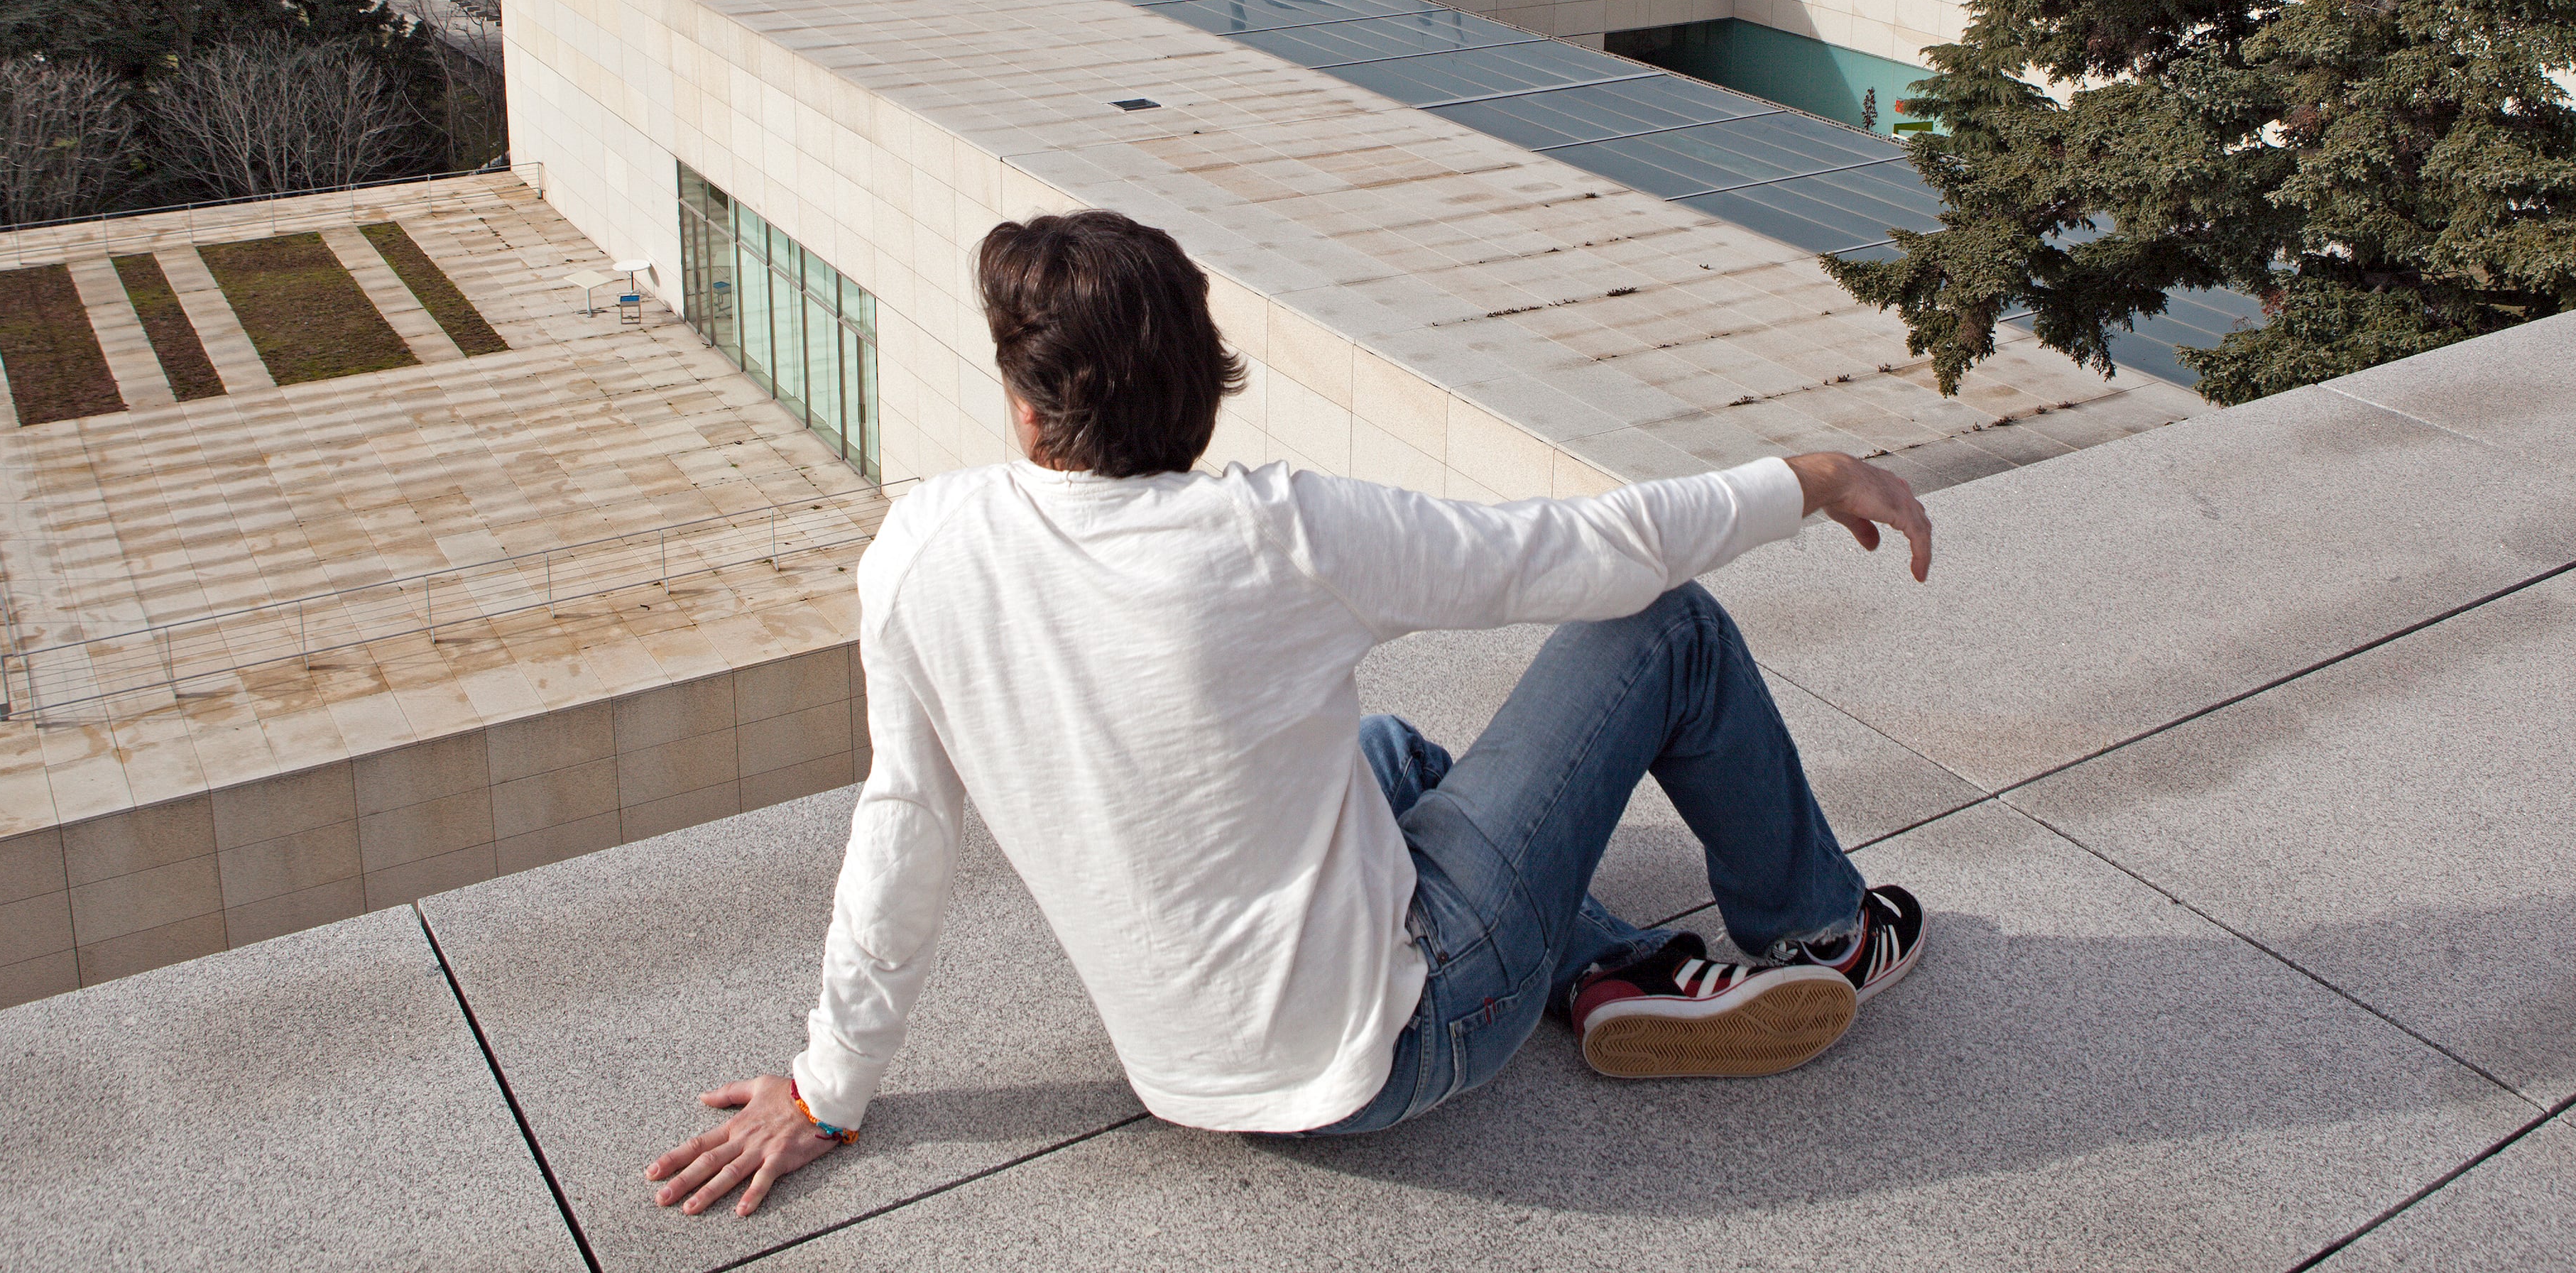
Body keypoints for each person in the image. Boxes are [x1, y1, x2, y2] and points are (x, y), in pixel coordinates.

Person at [648, 209, 1935, 1219]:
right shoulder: (1278, 533)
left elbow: (904, 823)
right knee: (1673, 628)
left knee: (1388, 752)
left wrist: (828, 1086)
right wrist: (1808, 478)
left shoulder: (922, 546)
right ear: (1201, 389)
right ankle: (1821, 934)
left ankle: (1606, 969)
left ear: (1033, 411)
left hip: (1188, 1075)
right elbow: (1597, 553)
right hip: (1403, 1047)